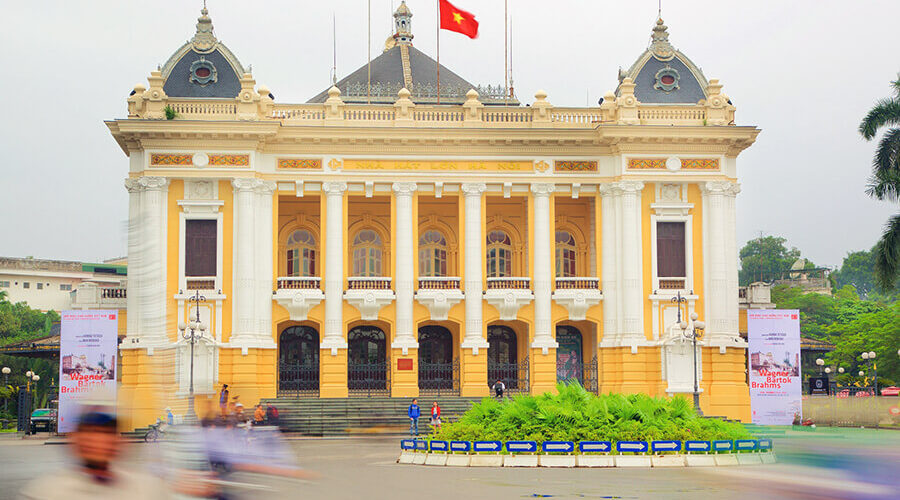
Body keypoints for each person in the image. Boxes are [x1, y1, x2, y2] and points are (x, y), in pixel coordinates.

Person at [19, 409, 180, 499]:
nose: (96, 441)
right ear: (75, 441)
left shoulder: (147, 488)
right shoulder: (47, 492)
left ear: (118, 442)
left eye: (105, 433)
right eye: (89, 433)